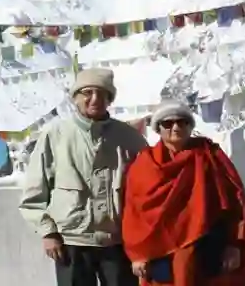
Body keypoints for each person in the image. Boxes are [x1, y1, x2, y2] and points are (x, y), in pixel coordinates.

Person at [20, 68, 149, 286]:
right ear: (76, 97)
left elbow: (148, 186)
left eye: (102, 94)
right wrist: (48, 233)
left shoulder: (129, 138)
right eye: (87, 92)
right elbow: (35, 191)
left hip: (116, 241)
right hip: (71, 241)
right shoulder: (56, 135)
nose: (95, 99)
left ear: (110, 99)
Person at [121, 103, 245, 286]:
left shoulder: (210, 155)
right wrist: (138, 253)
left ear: (190, 126)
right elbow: (134, 213)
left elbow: (236, 204)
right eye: (168, 123)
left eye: (182, 122)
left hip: (209, 248)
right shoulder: (144, 164)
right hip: (163, 253)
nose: (176, 127)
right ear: (158, 129)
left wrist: (234, 245)